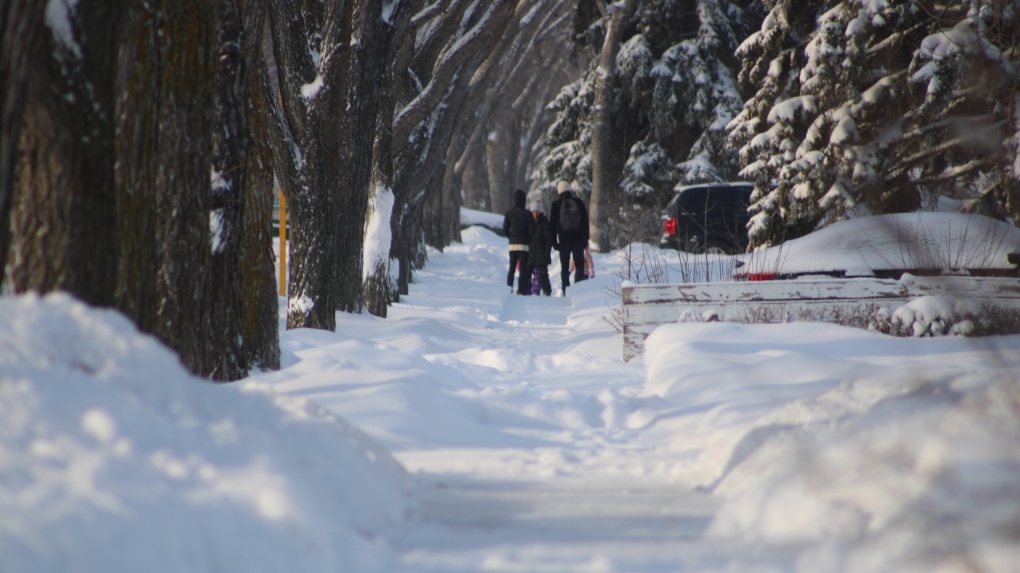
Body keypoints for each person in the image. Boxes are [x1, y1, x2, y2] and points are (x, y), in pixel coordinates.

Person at [550, 180, 589, 295]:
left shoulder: (556, 204)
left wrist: (554, 242)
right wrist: (585, 239)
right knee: (579, 265)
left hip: (564, 240)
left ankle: (565, 291)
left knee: (565, 267)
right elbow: (585, 221)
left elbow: (553, 224)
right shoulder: (578, 202)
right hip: (578, 239)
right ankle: (578, 290)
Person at [502, 188, 536, 295]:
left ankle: (509, 288)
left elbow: (505, 229)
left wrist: (511, 237)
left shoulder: (509, 213)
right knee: (523, 269)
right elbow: (532, 230)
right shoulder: (528, 214)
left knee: (512, 267)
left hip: (512, 245)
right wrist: (528, 241)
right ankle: (521, 290)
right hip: (524, 245)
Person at [523, 202, 554, 296]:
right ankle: (525, 293)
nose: (535, 213)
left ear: (540, 212)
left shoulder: (544, 223)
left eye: (537, 211)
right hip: (530, 255)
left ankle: (540, 293)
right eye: (533, 211)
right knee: (526, 275)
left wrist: (546, 253)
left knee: (541, 275)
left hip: (541, 255)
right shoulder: (528, 223)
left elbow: (548, 240)